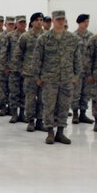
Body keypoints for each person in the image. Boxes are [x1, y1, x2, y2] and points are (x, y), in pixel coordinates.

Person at [35, 10, 80, 145]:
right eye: (58, 19)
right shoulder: (44, 38)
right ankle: (50, 132)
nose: (60, 21)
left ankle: (60, 132)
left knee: (64, 106)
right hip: (49, 79)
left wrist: (76, 76)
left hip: (66, 78)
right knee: (49, 105)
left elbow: (77, 59)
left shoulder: (72, 39)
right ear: (53, 21)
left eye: (62, 19)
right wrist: (37, 76)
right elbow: (37, 59)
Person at [17, 12, 46, 132]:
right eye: (37, 20)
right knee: (30, 98)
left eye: (41, 20)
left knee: (42, 99)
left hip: (44, 73)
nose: (39, 22)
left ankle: (40, 121)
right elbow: (18, 54)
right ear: (32, 22)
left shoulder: (47, 36)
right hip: (29, 73)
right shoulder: (25, 36)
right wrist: (21, 70)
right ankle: (30, 121)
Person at [71, 14, 94, 124]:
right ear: (79, 22)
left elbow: (94, 54)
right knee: (76, 93)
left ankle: (83, 114)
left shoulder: (91, 36)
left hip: (88, 70)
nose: (87, 23)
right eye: (85, 21)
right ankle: (75, 114)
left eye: (88, 21)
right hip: (77, 71)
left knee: (86, 93)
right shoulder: (73, 36)